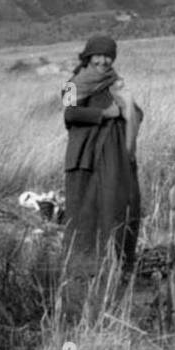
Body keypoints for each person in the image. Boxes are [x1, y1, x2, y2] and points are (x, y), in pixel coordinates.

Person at [62, 35, 143, 271]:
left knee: (115, 205)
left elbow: (133, 112)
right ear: (89, 56)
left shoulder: (115, 81)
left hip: (114, 154)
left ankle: (113, 263)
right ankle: (82, 265)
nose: (104, 61)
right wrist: (104, 114)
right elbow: (69, 114)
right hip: (85, 154)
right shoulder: (71, 84)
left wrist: (130, 108)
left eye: (108, 56)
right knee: (84, 208)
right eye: (99, 55)